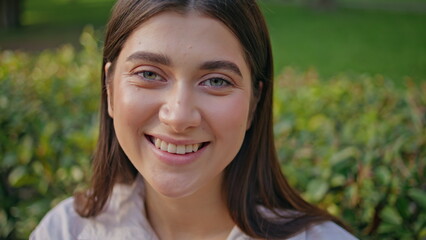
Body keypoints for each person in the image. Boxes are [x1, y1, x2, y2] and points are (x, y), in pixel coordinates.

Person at [31, 0, 358, 239]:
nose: (178, 116)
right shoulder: (64, 231)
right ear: (110, 89)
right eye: (149, 74)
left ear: (254, 103)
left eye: (216, 80)